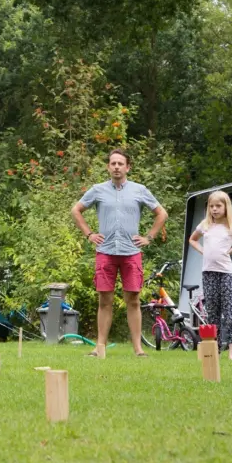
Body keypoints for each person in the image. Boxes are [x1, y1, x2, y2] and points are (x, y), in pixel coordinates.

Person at [72, 149, 168, 357]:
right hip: (105, 251)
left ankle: (138, 349)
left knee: (133, 299)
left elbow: (161, 213)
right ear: (108, 167)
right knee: (104, 300)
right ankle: (100, 348)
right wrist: (89, 234)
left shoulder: (139, 190)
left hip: (131, 251)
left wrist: (148, 237)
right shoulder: (97, 190)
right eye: (113, 163)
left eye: (120, 163)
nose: (116, 167)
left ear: (127, 167)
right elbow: (76, 210)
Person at [188, 190, 232, 361]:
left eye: (218, 206)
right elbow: (192, 239)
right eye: (211, 206)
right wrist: (201, 250)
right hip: (208, 273)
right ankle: (216, 347)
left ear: (226, 207)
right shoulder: (205, 225)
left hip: (226, 274)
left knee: (230, 312)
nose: (214, 209)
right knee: (213, 312)